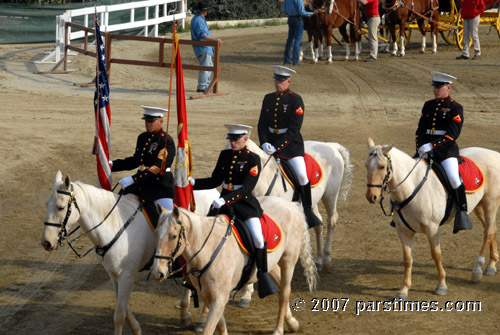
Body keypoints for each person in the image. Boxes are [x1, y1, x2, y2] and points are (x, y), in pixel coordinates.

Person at [189, 123, 279, 298]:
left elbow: (246, 188)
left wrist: (225, 199)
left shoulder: (253, 159)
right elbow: (215, 179)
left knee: (258, 239)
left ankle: (262, 273)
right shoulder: (225, 155)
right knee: (203, 234)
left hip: (244, 205)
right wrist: (194, 183)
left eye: (236, 139)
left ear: (245, 139)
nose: (232, 142)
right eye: (230, 139)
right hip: (223, 204)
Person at [257, 65, 322, 229]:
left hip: (291, 147)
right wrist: (264, 142)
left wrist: (277, 147)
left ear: (288, 81)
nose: (277, 83)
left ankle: (307, 210)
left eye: (281, 81)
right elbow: (262, 124)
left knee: (301, 174)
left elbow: (294, 129)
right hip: (268, 143)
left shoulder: (295, 100)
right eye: (276, 80)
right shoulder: (268, 98)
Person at [415, 72, 472, 234]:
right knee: (408, 173)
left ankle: (462, 212)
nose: (436, 90)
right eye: (435, 87)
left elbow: (452, 135)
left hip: (446, 151)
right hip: (426, 149)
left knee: (454, 178)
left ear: (449, 87)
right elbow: (420, 130)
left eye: (439, 87)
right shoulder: (428, 105)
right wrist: (421, 147)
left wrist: (432, 146)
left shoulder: (455, 108)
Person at [110, 106, 176, 210]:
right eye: (146, 121)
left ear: (161, 121)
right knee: (117, 205)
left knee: (166, 218)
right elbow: (136, 161)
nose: (148, 124)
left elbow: (157, 167)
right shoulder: (142, 138)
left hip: (159, 185)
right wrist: (112, 165)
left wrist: (133, 179)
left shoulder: (166, 141)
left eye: (151, 121)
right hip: (142, 182)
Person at [190, 0, 222, 93]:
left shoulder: (197, 19)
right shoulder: (198, 20)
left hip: (203, 47)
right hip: (203, 47)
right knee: (206, 66)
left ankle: (205, 84)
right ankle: (202, 86)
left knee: (209, 66)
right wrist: (215, 40)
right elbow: (203, 35)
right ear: (205, 11)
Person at [282, 0, 317, 66]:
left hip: (290, 19)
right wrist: (312, 13)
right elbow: (302, 12)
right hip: (298, 19)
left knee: (289, 40)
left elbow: (284, 11)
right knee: (297, 40)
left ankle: (286, 60)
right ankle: (295, 61)